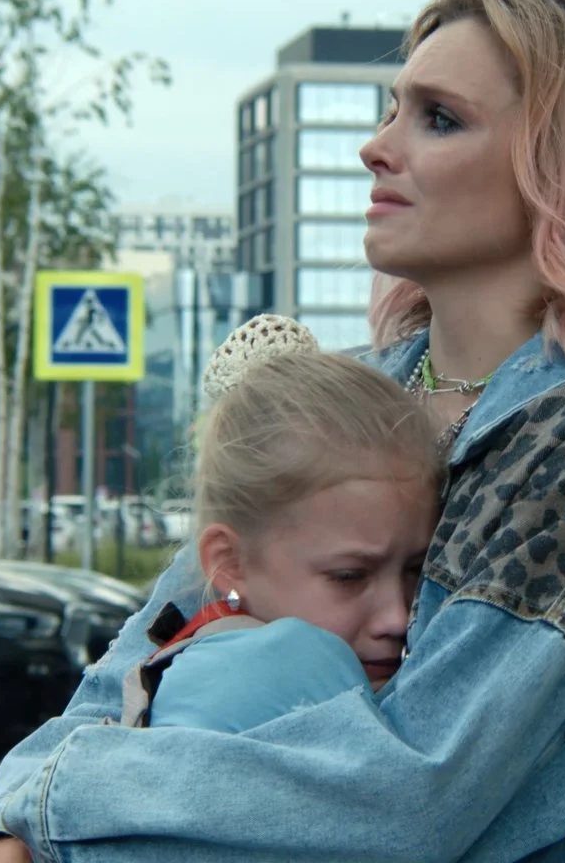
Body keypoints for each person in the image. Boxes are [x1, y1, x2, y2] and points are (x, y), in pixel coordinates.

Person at [0, 0, 565, 863]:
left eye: (439, 119)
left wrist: (54, 812)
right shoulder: (355, 393)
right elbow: (133, 667)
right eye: (392, 111)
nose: (375, 149)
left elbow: (405, 793)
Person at [120, 314, 443, 732]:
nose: (397, 618)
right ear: (230, 562)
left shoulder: (195, 666)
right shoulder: (279, 676)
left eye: (416, 570)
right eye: (349, 576)